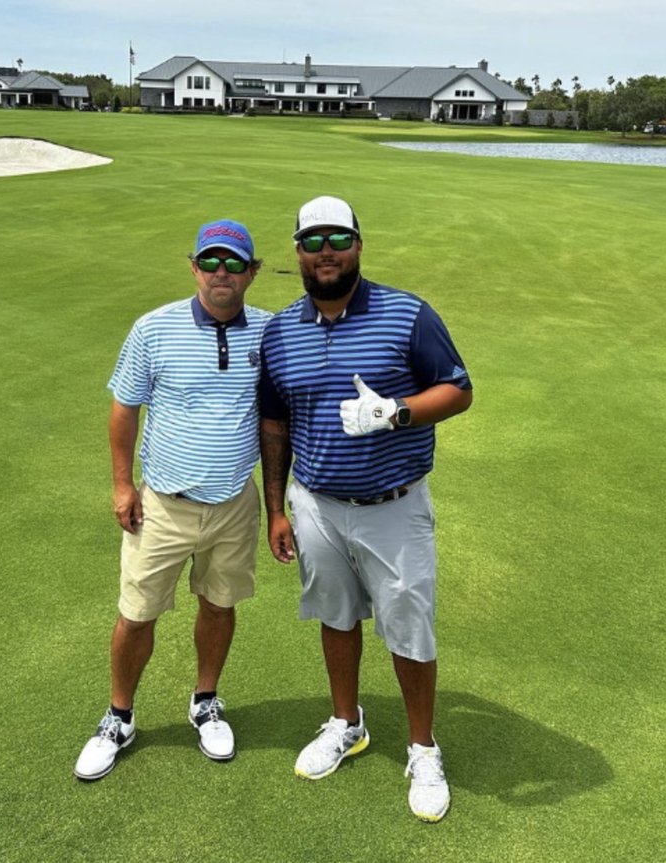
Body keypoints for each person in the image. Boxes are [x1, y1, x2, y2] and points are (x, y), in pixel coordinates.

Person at [259, 195, 472, 822]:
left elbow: (458, 389)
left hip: (393, 505)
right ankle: (346, 723)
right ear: (298, 251)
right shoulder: (280, 330)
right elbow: (274, 425)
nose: (326, 253)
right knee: (337, 614)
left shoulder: (407, 314)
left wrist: (396, 411)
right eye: (313, 242)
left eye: (338, 240)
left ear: (358, 243)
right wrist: (277, 508)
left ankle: (423, 747)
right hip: (316, 503)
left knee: (408, 626)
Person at [74, 219, 271, 781]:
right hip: (162, 501)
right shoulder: (153, 329)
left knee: (219, 604)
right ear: (194, 267)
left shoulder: (270, 331)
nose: (221, 273)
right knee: (136, 615)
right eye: (210, 262)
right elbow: (124, 407)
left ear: (252, 272)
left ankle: (206, 700)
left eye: (234, 264)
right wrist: (121, 483)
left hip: (235, 502)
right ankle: (119, 717)